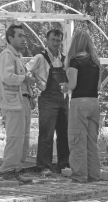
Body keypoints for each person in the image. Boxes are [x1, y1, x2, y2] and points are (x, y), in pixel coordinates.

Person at [0, 24, 36, 183]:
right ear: (10, 38)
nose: (24, 39)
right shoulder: (6, 55)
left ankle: (16, 170)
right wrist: (25, 79)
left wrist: (30, 95)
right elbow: (7, 77)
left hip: (22, 100)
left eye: (24, 35)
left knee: (23, 137)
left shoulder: (17, 56)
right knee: (15, 137)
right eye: (20, 36)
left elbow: (19, 79)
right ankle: (8, 170)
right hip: (13, 103)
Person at [26, 29, 70, 176]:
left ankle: (64, 164)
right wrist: (37, 83)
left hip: (63, 99)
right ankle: (44, 166)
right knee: (46, 134)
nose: (56, 43)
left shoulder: (65, 58)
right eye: (53, 40)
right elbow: (26, 71)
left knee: (64, 133)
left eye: (58, 40)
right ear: (47, 40)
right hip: (48, 99)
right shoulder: (40, 57)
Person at [60, 30, 101, 183]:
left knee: (77, 140)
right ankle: (93, 175)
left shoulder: (75, 60)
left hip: (79, 103)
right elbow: (99, 86)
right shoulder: (95, 61)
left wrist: (65, 86)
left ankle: (79, 176)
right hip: (94, 103)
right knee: (91, 141)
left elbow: (73, 84)